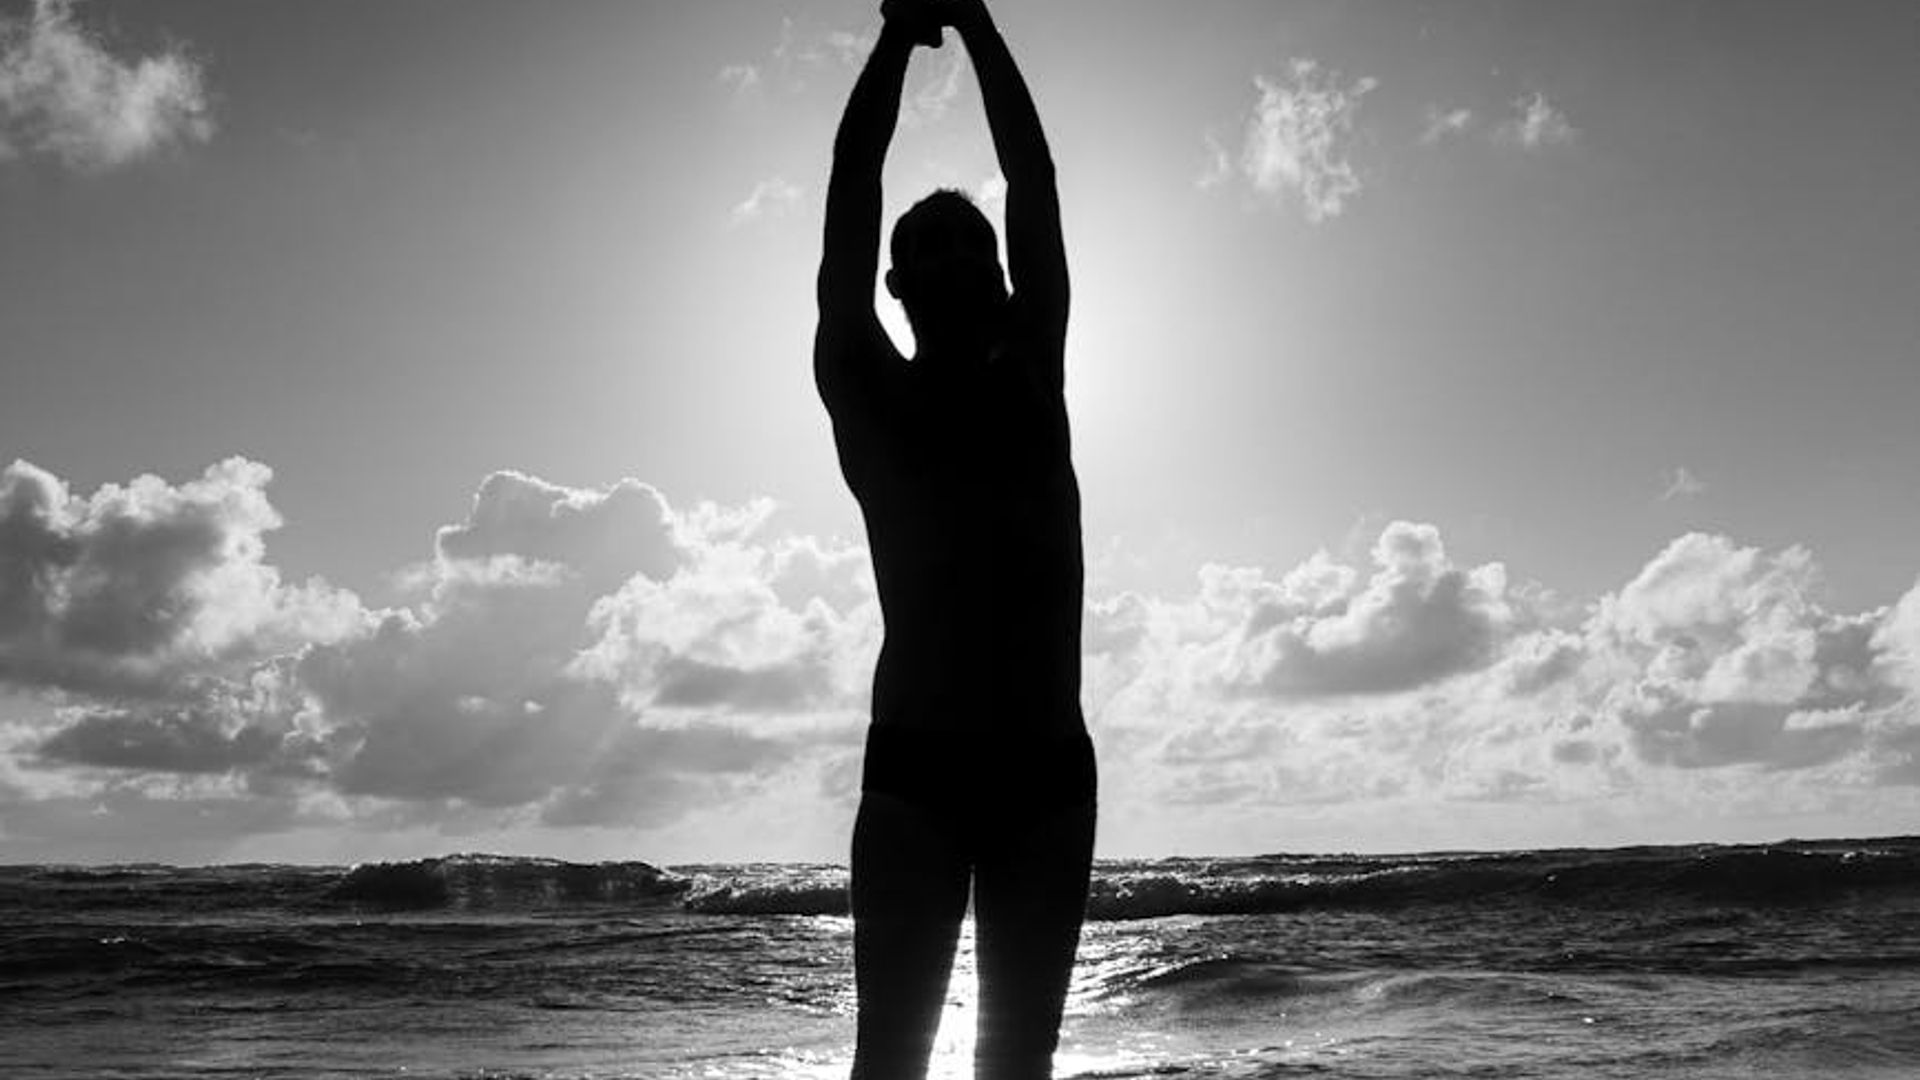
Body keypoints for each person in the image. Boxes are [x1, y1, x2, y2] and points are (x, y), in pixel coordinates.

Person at [814, 1, 1095, 1077]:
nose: (942, 253)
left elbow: (1034, 184)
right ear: (894, 283)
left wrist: (974, 22)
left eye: (963, 239)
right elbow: (850, 186)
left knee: (1016, 1063)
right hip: (916, 769)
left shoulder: (1033, 364)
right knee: (889, 1060)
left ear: (999, 271)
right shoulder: (868, 389)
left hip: (1045, 768)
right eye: (919, 245)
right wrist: (895, 35)